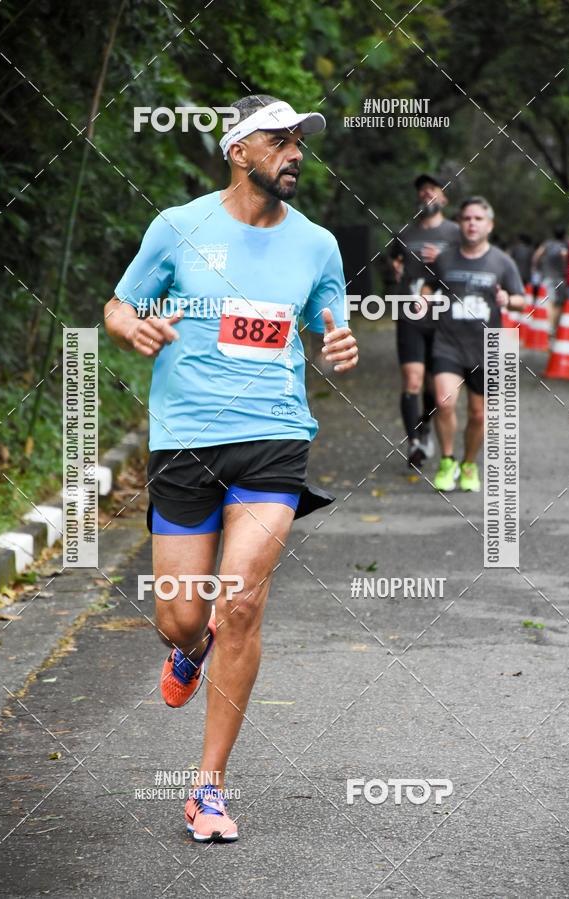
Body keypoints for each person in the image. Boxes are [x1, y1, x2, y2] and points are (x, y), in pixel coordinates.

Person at [104, 94, 358, 842]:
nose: (296, 153)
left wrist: (339, 346)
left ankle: (207, 786)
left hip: (274, 438)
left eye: (300, 142)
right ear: (238, 151)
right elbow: (119, 306)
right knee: (181, 616)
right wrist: (135, 327)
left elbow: (329, 322)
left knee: (242, 600)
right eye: (278, 140)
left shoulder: (317, 244)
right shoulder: (178, 227)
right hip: (184, 440)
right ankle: (193, 647)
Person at [422, 196, 525, 492]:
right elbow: (431, 284)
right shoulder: (445, 258)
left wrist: (509, 300)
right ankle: (447, 460)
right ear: (460, 223)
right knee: (444, 402)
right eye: (467, 218)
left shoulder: (502, 262)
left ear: (489, 226)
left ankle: (468, 464)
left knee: (480, 414)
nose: (471, 223)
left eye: (478, 219)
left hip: (486, 348)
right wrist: (425, 297)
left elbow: (520, 299)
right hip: (448, 343)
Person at [395, 174, 460, 470]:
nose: (426, 195)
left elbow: (474, 264)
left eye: (432, 191)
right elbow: (392, 259)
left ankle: (425, 426)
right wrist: (395, 269)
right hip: (410, 314)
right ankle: (415, 443)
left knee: (436, 388)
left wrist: (446, 258)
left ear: (444, 198)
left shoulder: (457, 234)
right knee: (412, 379)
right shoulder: (405, 233)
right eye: (422, 191)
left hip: (444, 319)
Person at [531, 227, 568, 330]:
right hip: (560, 277)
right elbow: (564, 256)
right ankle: (553, 326)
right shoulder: (564, 245)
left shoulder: (547, 244)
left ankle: (549, 325)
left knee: (549, 301)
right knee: (559, 303)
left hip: (547, 276)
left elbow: (537, 255)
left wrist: (536, 267)